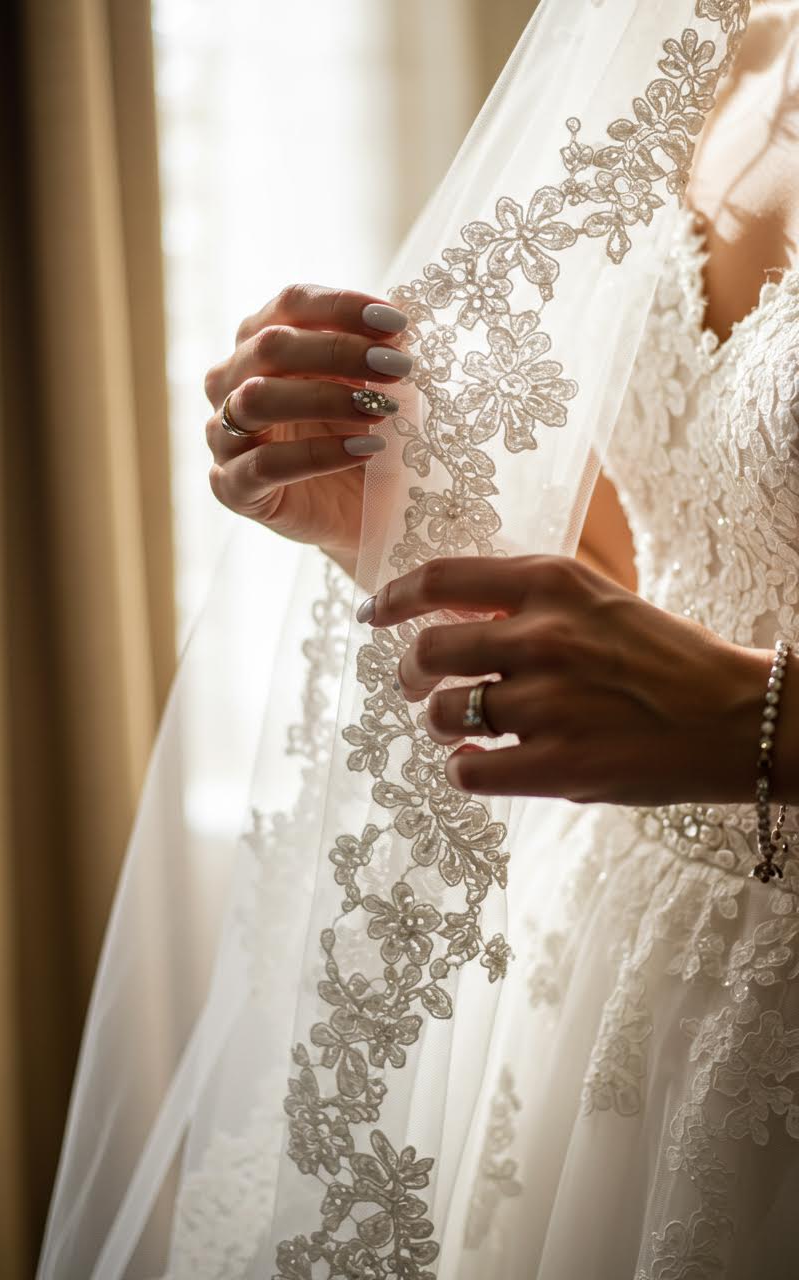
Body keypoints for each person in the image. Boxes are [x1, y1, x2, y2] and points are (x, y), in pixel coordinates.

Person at [40, 3, 799, 1276]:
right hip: (614, 976)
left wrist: (761, 724)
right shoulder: (715, 33)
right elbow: (660, 567)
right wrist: (387, 515)